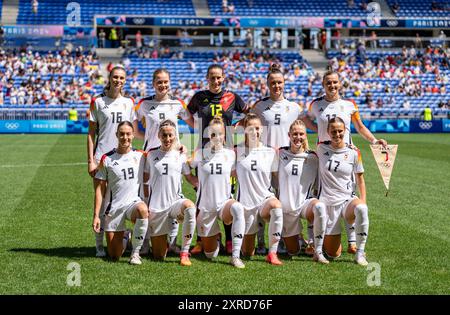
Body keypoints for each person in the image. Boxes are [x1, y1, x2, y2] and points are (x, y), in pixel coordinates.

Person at [301, 70, 386, 255]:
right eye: (328, 83)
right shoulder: (315, 104)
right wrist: (316, 128)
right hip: (323, 155)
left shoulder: (349, 105)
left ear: (340, 84)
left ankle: (353, 241)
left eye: (335, 82)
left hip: (346, 155)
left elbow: (360, 127)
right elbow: (304, 118)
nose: (332, 86)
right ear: (323, 85)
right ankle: (312, 240)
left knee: (348, 193)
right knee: (319, 195)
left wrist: (374, 141)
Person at [187, 64, 248, 255]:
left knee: (227, 194)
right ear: (207, 78)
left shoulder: (232, 97)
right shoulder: (199, 97)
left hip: (226, 154)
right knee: (201, 196)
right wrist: (197, 128)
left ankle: (229, 239)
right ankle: (201, 238)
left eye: (219, 78)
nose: (215, 81)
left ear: (223, 78)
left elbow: (249, 113)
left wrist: (235, 127)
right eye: (212, 77)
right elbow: (187, 114)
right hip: (204, 155)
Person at [134, 68, 194, 255]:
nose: (163, 85)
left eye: (166, 81)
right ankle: (143, 242)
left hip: (171, 157)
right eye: (159, 82)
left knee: (173, 196)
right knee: (145, 197)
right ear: (153, 83)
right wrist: (145, 143)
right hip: (150, 159)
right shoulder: (144, 104)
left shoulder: (177, 104)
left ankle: (173, 242)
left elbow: (195, 124)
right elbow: (134, 128)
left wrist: (184, 146)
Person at [247, 63, 304, 255]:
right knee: (263, 199)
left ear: (284, 83)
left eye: (279, 82)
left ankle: (284, 240)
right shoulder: (260, 106)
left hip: (287, 162)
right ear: (267, 84)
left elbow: (303, 130)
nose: (276, 86)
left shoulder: (294, 107)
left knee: (284, 202)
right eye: (273, 83)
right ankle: (261, 242)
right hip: (265, 161)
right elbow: (246, 126)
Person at [87, 66, 138, 257]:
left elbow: (131, 133)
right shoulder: (98, 102)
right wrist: (91, 160)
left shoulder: (128, 102)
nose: (118, 80)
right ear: (109, 78)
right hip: (101, 158)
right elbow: (91, 134)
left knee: (123, 199)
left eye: (122, 78)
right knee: (100, 201)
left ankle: (129, 237)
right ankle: (99, 245)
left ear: (125, 80)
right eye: (115, 77)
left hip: (122, 158)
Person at [188, 116, 246, 268]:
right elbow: (186, 167)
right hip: (205, 207)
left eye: (220, 134)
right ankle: (216, 238)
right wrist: (194, 181)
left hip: (224, 203)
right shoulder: (200, 153)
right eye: (213, 134)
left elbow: (234, 174)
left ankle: (235, 256)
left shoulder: (230, 154)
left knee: (238, 208)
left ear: (224, 135)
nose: (217, 137)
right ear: (208, 134)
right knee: (210, 254)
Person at [92, 122, 149, 265]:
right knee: (114, 255)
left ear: (133, 135)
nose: (125, 137)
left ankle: (135, 254)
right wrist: (96, 216)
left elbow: (162, 153)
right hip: (114, 208)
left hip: (133, 204)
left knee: (143, 210)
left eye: (128, 134)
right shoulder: (107, 158)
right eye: (122, 134)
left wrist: (180, 148)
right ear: (116, 135)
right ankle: (126, 237)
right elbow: (99, 190)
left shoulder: (141, 155)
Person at [316, 118, 370, 266]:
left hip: (347, 200)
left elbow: (360, 180)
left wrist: (363, 200)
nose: (337, 134)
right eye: (333, 131)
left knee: (361, 208)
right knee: (333, 254)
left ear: (345, 131)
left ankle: (360, 253)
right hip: (328, 203)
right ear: (328, 132)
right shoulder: (321, 149)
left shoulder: (354, 152)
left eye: (340, 131)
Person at [144, 120, 198, 266]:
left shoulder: (181, 155)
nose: (167, 139)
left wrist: (203, 187)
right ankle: (160, 241)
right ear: (159, 135)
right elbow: (144, 180)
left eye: (170, 135)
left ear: (175, 136)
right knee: (159, 256)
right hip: (156, 207)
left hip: (175, 203)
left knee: (190, 208)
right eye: (164, 135)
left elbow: (189, 177)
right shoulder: (150, 154)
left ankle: (184, 253)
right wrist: (145, 203)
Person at [276, 120, 328, 264]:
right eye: (294, 134)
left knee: (319, 207)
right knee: (293, 251)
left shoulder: (313, 157)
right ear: (289, 135)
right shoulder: (279, 153)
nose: (298, 137)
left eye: (301, 134)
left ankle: (317, 250)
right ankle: (298, 238)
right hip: (287, 208)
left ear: (305, 136)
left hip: (305, 204)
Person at [235, 113, 284, 265]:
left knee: (276, 207)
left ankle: (272, 253)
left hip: (265, 200)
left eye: (257, 128)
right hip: (246, 205)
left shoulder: (270, 152)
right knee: (248, 252)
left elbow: (277, 180)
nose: (254, 132)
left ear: (262, 130)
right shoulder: (236, 151)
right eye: (250, 128)